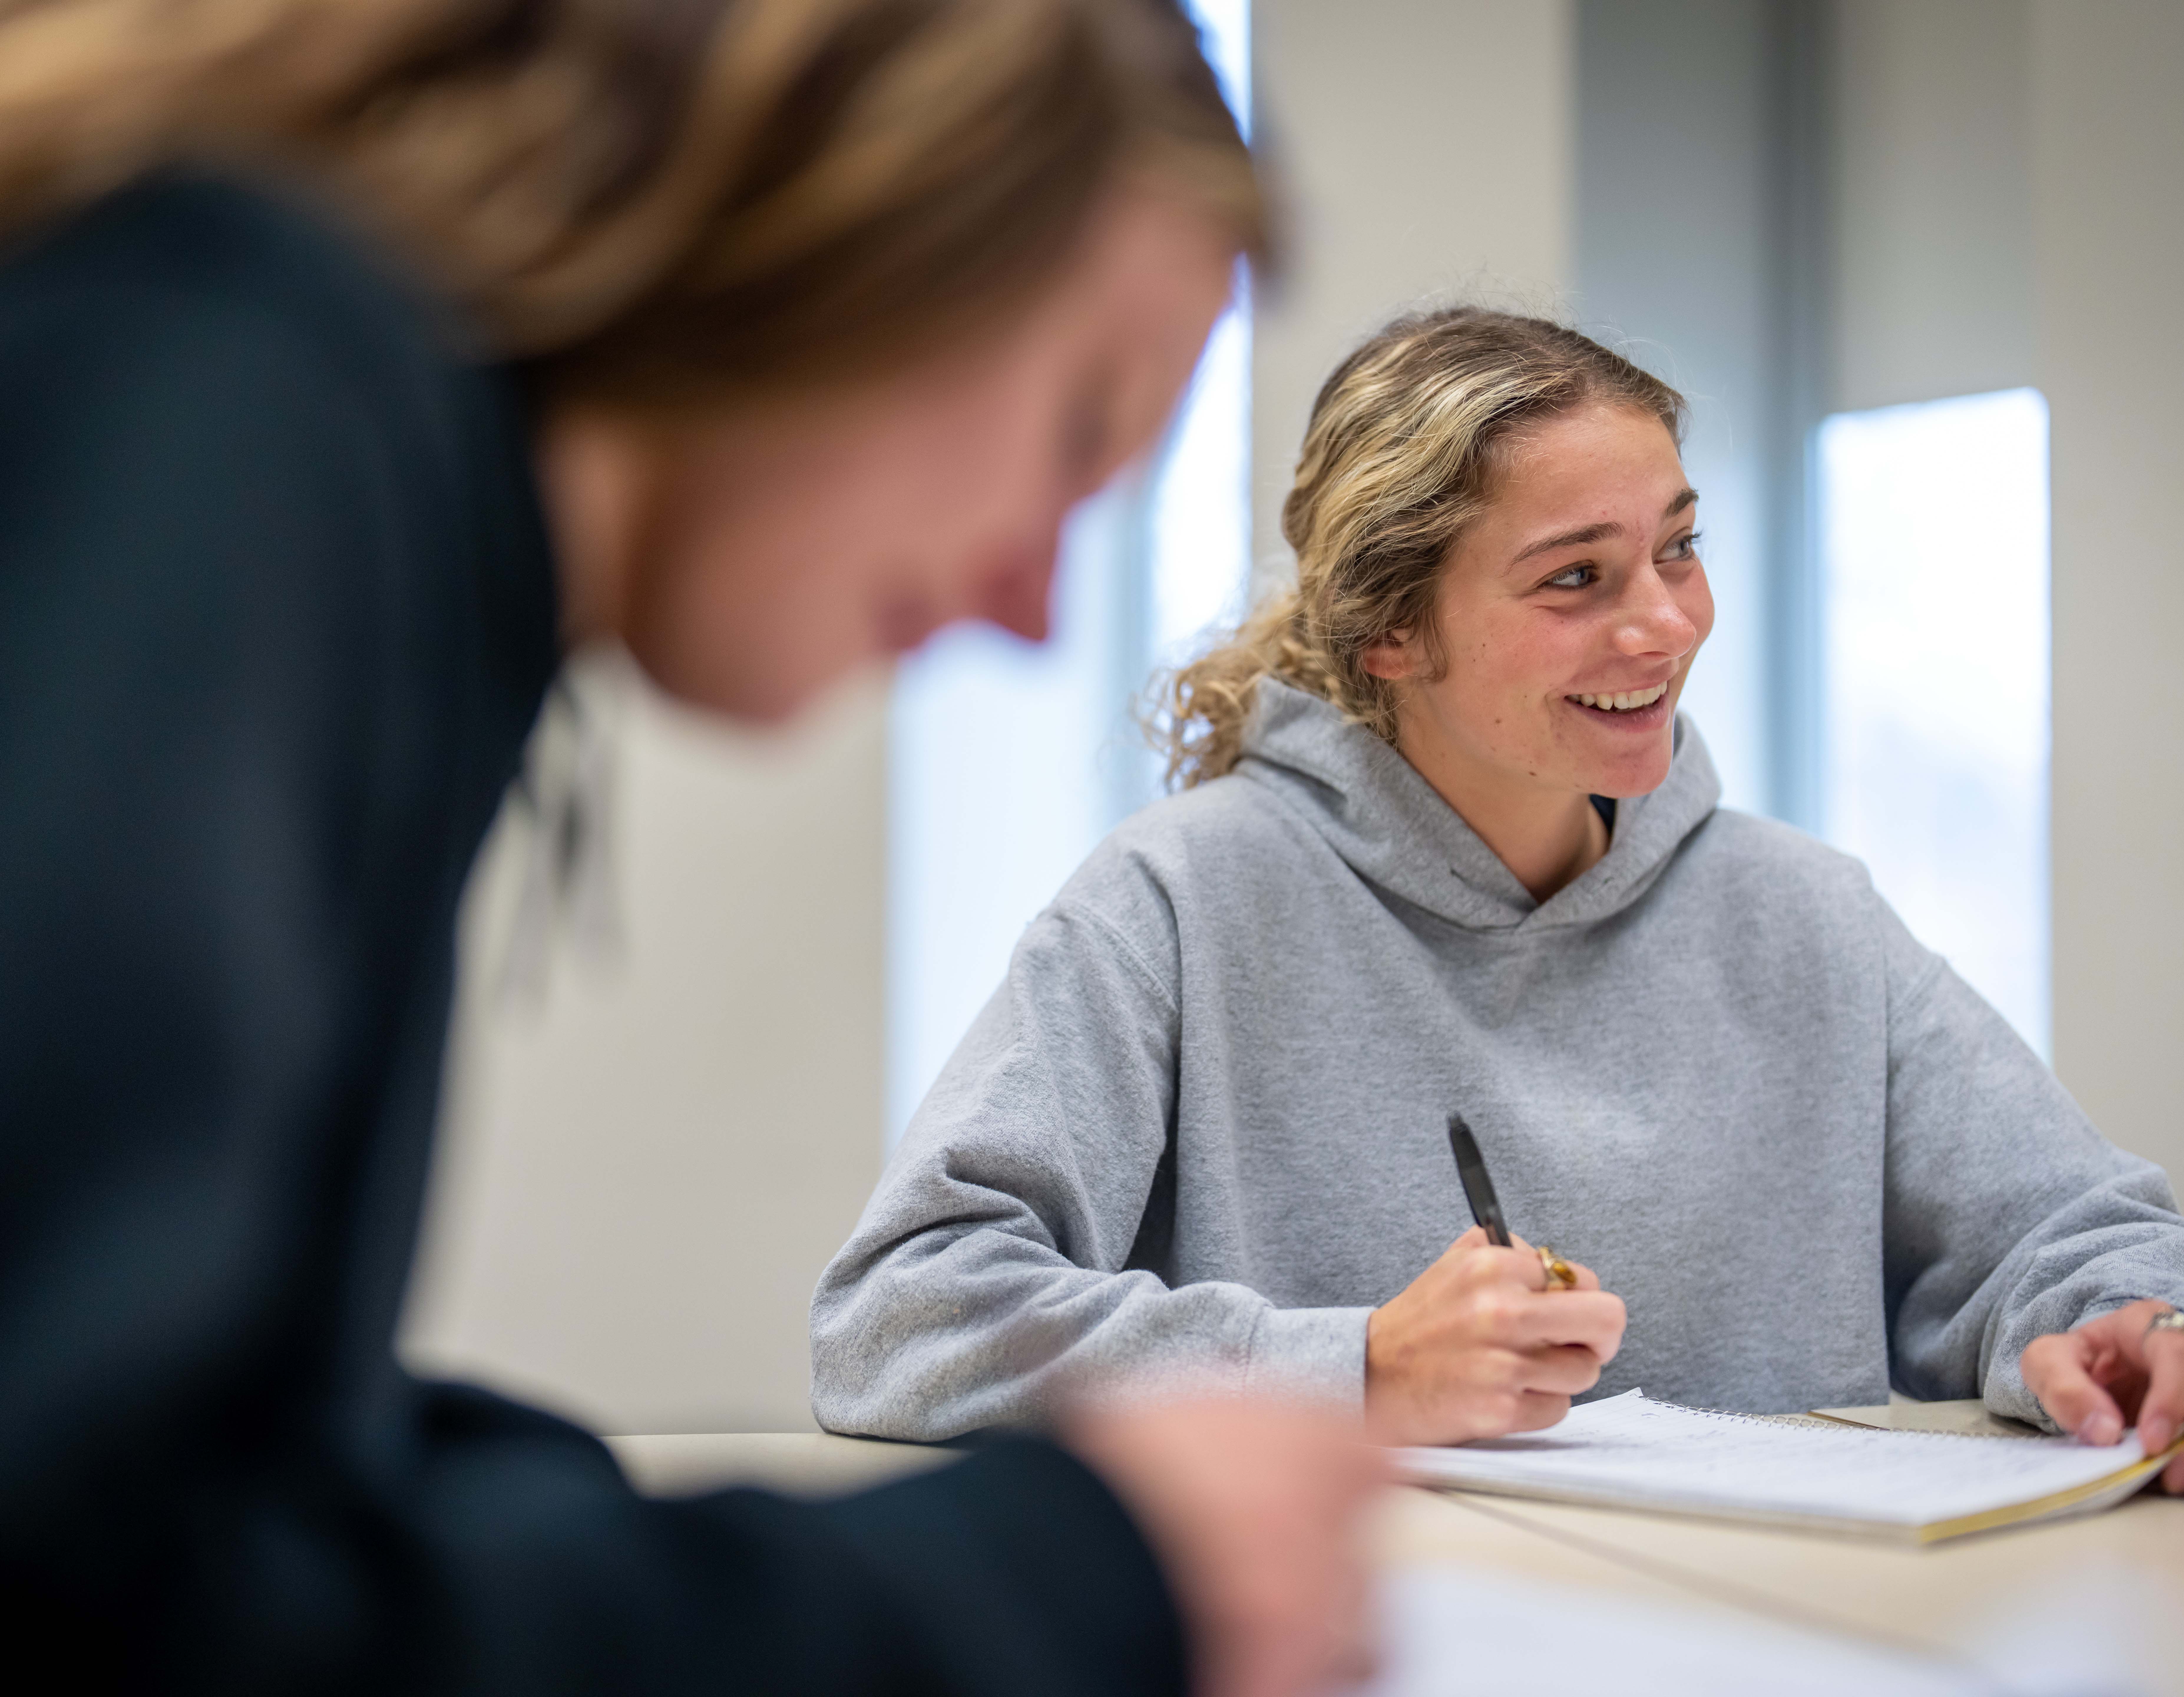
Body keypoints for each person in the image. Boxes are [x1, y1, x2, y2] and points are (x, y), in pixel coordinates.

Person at [0, 2, 1379, 1692]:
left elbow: (208, 1451)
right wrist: (1055, 1574)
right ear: (864, 218)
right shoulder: (231, 406)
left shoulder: (318, 458)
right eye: (1077, 431)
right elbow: (84, 1602)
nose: (1036, 610)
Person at [813, 306, 2184, 1496]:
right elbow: (902, 1319)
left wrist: (2153, 1328)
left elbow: (2085, 1235)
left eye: (1679, 549)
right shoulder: (1180, 901)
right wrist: (1356, 1371)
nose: (1664, 624)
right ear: (1392, 634)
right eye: (1577, 578)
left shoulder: (1807, 914)